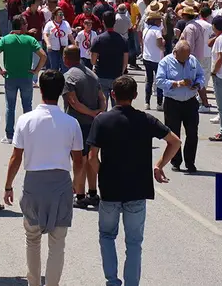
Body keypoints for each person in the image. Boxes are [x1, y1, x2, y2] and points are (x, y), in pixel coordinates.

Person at [88, 75, 182, 286]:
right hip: (138, 189)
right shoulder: (145, 119)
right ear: (135, 95)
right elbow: (175, 141)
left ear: (113, 94)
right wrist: (159, 164)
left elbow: (92, 158)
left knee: (107, 235)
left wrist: (102, 173)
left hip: (110, 189)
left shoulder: (101, 120)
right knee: (134, 243)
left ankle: (112, 281)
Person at [3, 70, 83, 286]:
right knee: (58, 243)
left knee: (32, 239)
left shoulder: (25, 120)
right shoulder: (71, 123)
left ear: (39, 88)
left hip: (33, 184)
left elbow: (16, 157)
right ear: (61, 92)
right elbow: (78, 160)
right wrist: (76, 184)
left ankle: (34, 283)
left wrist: (8, 185)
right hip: (61, 183)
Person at [62, 46, 106, 209]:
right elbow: (102, 97)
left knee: (79, 160)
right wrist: (99, 112)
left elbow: (73, 102)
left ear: (66, 58)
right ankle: (93, 193)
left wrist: (91, 113)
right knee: (92, 158)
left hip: (77, 123)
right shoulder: (92, 74)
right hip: (93, 124)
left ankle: (80, 196)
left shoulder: (68, 77)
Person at [0, 15, 46, 143]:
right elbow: (43, 56)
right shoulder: (30, 40)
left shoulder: (5, 39)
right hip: (26, 76)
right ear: (21, 25)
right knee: (27, 105)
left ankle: (9, 135)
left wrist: (0, 70)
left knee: (10, 106)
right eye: (25, 24)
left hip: (10, 77)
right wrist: (36, 71)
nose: (27, 26)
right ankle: (29, 133)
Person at [155, 40, 205, 173]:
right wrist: (177, 83)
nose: (185, 61)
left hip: (190, 101)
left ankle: (190, 162)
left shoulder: (192, 60)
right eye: (182, 58)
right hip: (173, 102)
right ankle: (176, 161)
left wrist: (198, 84)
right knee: (173, 134)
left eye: (187, 57)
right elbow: (159, 81)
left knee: (192, 133)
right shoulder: (165, 62)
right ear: (175, 52)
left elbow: (201, 75)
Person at [178, 0, 212, 112]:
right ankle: (202, 102)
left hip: (193, 58)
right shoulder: (195, 25)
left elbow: (189, 45)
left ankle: (203, 103)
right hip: (199, 56)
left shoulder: (190, 28)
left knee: (195, 80)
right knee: (198, 80)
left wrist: (186, 59)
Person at [92, 11, 130, 106]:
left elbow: (93, 60)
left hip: (101, 75)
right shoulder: (123, 40)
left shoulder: (98, 39)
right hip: (116, 76)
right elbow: (125, 61)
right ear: (115, 22)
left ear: (103, 22)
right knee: (117, 106)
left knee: (102, 105)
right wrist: (121, 72)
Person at [140, 9, 165, 111]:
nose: (160, 22)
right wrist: (163, 47)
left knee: (149, 81)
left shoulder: (146, 30)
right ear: (155, 21)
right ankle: (159, 103)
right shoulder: (157, 31)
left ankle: (147, 102)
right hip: (157, 59)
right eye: (159, 20)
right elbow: (159, 44)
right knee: (159, 81)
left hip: (147, 57)